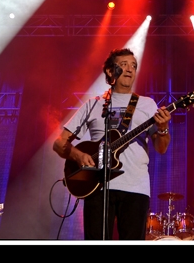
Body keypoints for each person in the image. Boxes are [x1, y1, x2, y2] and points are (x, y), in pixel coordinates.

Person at [53, 48, 171, 240]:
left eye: (133, 65)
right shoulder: (94, 104)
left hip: (135, 187)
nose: (130, 69)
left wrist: (163, 128)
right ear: (110, 71)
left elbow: (161, 147)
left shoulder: (147, 104)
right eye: (124, 65)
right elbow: (60, 143)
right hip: (97, 186)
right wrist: (78, 155)